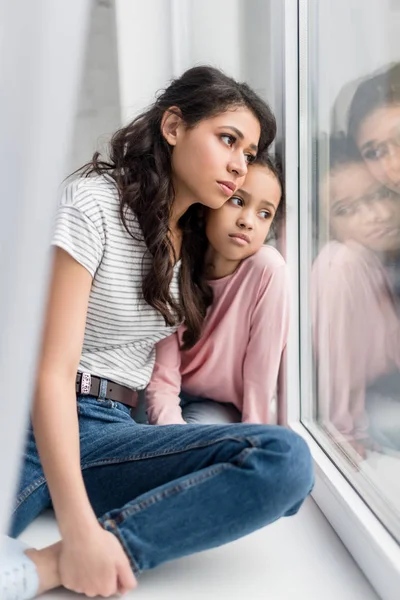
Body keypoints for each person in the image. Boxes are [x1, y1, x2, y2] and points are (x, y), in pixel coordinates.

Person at [0, 66, 314, 600]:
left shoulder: (193, 236)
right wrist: (79, 529)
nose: (239, 165)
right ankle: (74, 547)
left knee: (284, 461)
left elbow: (255, 262)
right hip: (30, 419)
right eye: (228, 140)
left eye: (249, 151)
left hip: (112, 431)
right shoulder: (92, 203)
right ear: (173, 126)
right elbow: (48, 373)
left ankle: (53, 565)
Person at [146, 151, 289, 426]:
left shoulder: (268, 270)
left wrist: (254, 440)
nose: (248, 221)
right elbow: (162, 380)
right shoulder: (175, 262)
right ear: (206, 206)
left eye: (264, 213)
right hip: (162, 393)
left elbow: (262, 374)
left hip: (220, 408)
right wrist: (173, 443)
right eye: (237, 201)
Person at [311, 135, 400, 456]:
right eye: (346, 209)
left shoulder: (382, 259)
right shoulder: (342, 264)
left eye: (378, 195)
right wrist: (344, 437)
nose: (375, 215)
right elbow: (337, 370)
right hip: (368, 414)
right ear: (327, 225)